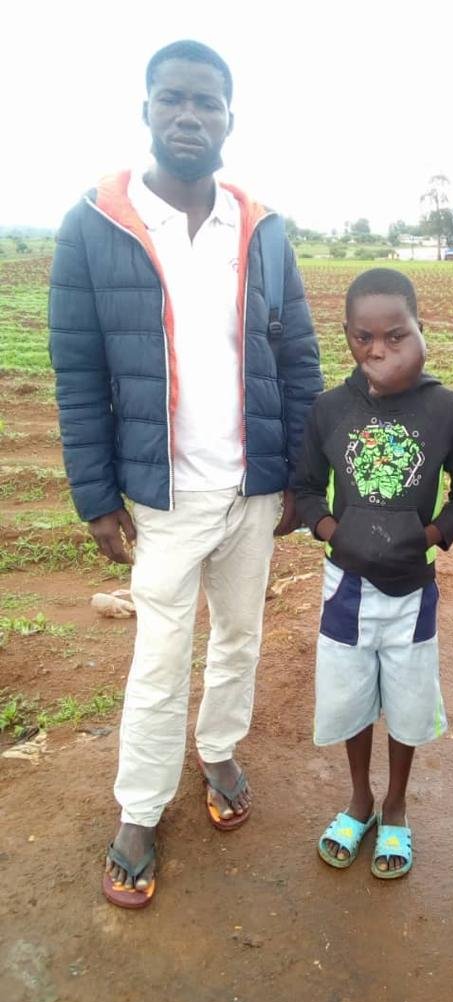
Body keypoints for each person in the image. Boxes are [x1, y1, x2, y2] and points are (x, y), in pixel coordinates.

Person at [48, 40, 322, 908]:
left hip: (254, 489)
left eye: (208, 102)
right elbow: (78, 370)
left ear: (230, 117)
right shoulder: (95, 223)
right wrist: (96, 496)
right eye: (173, 100)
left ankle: (219, 751)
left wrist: (298, 478)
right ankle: (139, 809)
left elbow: (299, 353)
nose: (190, 117)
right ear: (147, 111)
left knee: (239, 638)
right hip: (163, 496)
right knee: (160, 655)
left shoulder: (264, 226)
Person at [295, 269, 453, 878]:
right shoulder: (329, 409)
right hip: (344, 587)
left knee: (406, 700)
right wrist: (333, 532)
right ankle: (360, 799)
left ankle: (396, 806)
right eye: (363, 338)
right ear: (346, 335)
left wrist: (427, 537)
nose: (378, 350)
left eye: (395, 335)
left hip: (412, 591)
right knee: (349, 699)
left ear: (419, 329)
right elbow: (302, 492)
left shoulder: (445, 409)